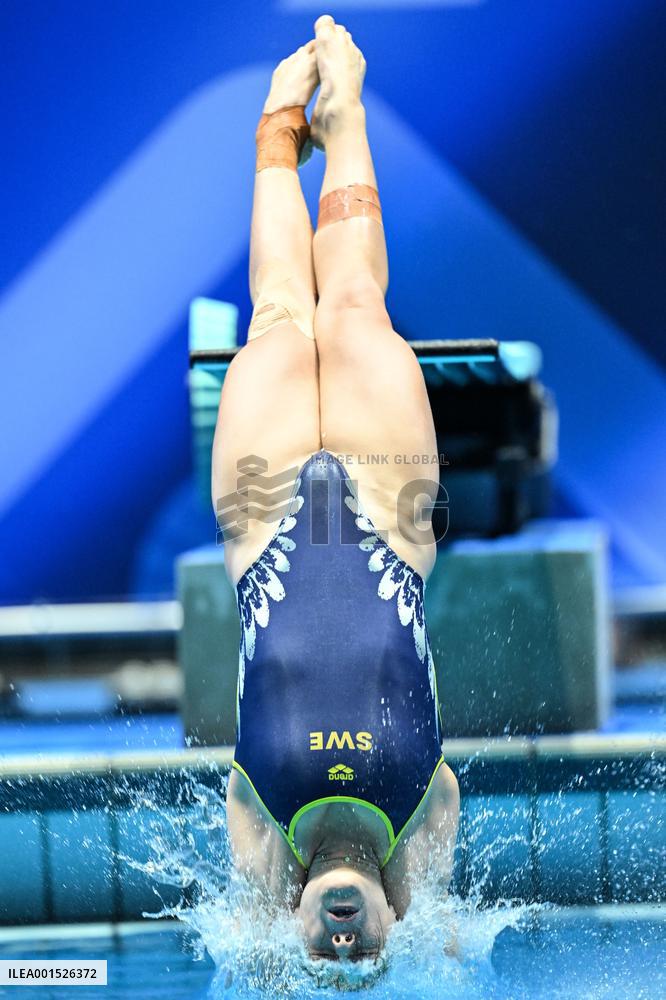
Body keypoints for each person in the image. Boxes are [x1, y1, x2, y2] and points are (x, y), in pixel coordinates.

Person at [212, 14, 460, 964]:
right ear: (395, 922)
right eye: (368, 961)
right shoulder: (419, 818)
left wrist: (273, 954)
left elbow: (247, 949)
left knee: (281, 307)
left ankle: (280, 126)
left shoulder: (261, 819)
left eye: (329, 962)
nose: (346, 947)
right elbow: (448, 940)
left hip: (262, 519)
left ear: (295, 927)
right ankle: (345, 111)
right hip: (391, 526)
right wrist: (430, 929)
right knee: (352, 303)